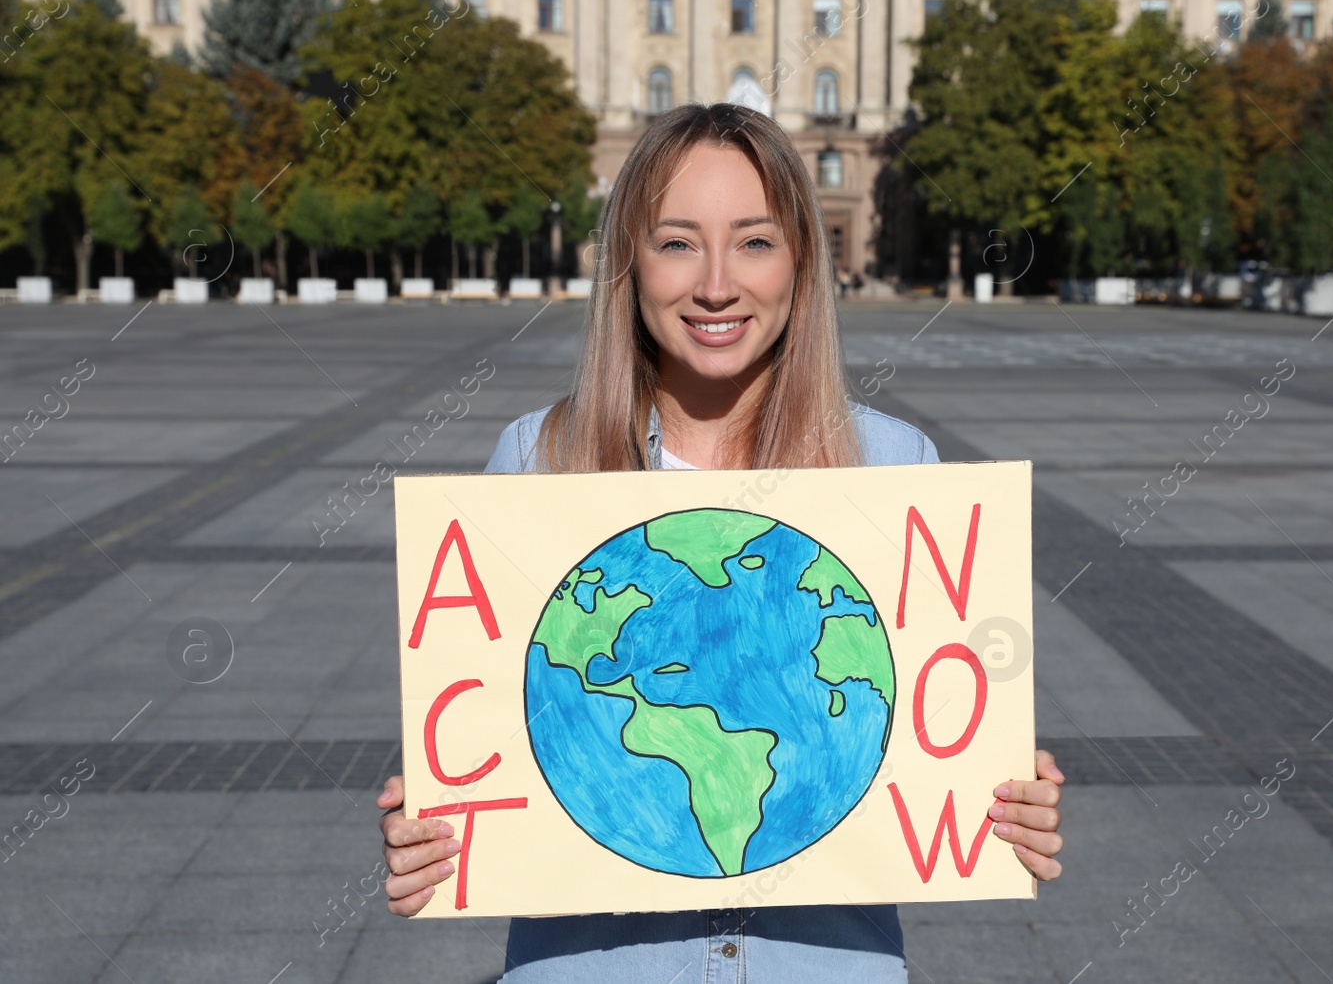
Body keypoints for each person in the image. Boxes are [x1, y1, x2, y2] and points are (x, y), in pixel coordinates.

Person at [376, 102, 1065, 982]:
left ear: (801, 262)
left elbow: (933, 760)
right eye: (675, 242)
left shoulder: (896, 465)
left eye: (753, 241)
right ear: (628, 262)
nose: (714, 284)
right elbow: (486, 738)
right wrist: (424, 833)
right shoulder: (536, 459)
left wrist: (1011, 806)